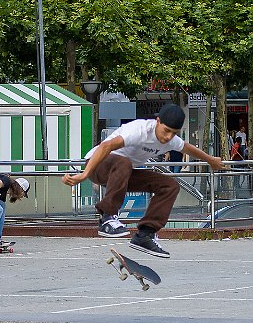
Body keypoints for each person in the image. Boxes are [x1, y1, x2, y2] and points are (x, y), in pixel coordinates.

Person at [62, 104, 224, 258]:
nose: (168, 137)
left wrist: (210, 160)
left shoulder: (170, 139)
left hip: (122, 174)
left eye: (174, 133)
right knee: (123, 161)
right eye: (166, 131)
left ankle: (145, 234)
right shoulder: (139, 130)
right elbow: (106, 146)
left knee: (169, 185)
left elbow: (187, 147)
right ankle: (108, 218)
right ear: (158, 121)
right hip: (98, 164)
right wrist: (84, 175)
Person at [0, 173, 30, 250]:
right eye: (23, 194)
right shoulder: (6, 181)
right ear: (20, 189)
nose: (22, 196)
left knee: (2, 206)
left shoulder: (3, 192)